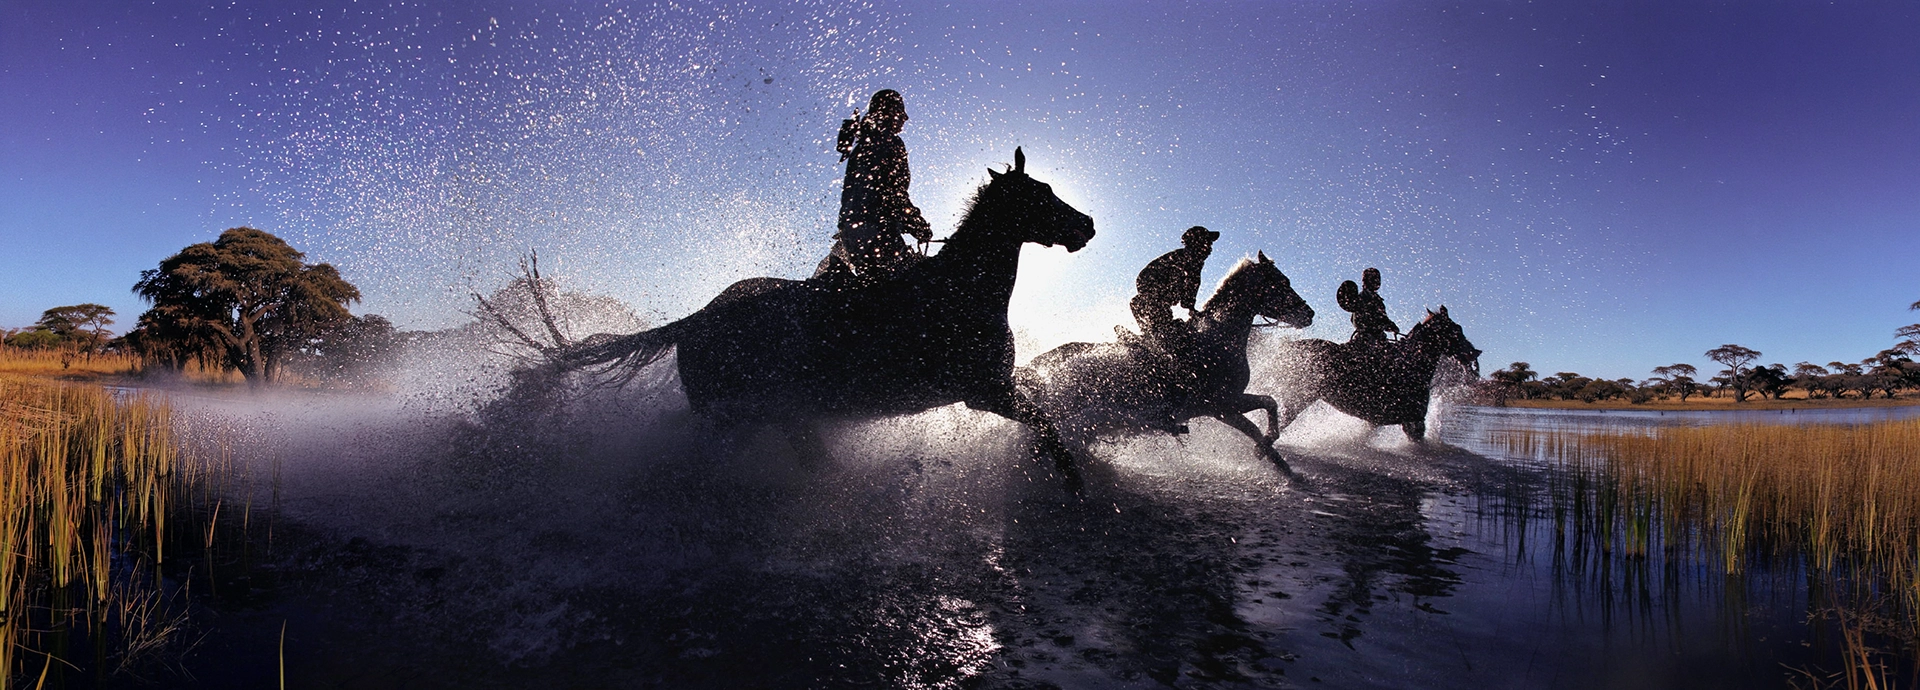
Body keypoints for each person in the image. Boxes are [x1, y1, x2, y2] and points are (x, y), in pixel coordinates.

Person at [816, 89, 932, 281]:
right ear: (889, 113)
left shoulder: (863, 144)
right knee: (912, 286)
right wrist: (917, 224)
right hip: (875, 232)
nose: (906, 118)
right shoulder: (891, 143)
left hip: (853, 230)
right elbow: (892, 193)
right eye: (901, 112)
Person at [1130, 225, 1219, 356]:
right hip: (1151, 298)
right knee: (1171, 335)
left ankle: (1150, 337)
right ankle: (1149, 342)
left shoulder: (1193, 261)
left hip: (1151, 299)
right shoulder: (1184, 260)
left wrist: (1190, 307)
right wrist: (1189, 306)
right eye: (1207, 243)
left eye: (1210, 244)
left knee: (1168, 330)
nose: (1210, 248)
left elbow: (1191, 288)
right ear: (1197, 244)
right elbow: (1188, 286)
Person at [1336, 267, 1400, 346]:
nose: (1378, 281)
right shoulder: (1366, 298)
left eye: (1378, 279)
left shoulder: (1374, 298)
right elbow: (1379, 318)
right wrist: (1390, 325)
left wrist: (1390, 325)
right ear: (1366, 281)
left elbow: (1381, 318)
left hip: (1376, 338)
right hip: (1368, 339)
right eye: (1374, 279)